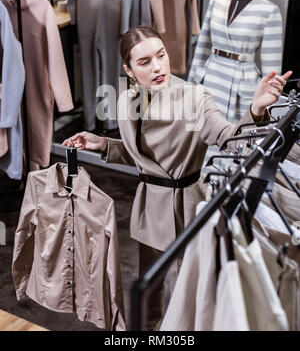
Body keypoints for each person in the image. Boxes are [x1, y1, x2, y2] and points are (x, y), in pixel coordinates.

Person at [63, 26, 292, 330]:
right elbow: (145, 157)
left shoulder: (194, 99)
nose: (157, 66)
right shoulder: (128, 100)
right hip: (149, 208)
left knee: (190, 296)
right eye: (144, 62)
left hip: (189, 208)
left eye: (161, 55)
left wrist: (256, 108)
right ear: (128, 70)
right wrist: (105, 144)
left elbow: (229, 138)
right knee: (149, 292)